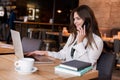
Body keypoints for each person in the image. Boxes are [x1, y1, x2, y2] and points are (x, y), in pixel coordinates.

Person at [27, 5, 103, 69]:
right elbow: (62, 54)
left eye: (78, 19)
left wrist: (80, 43)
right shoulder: (73, 36)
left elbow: (88, 65)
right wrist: (45, 53)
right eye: (74, 19)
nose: (75, 22)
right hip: (68, 70)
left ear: (87, 21)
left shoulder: (97, 41)